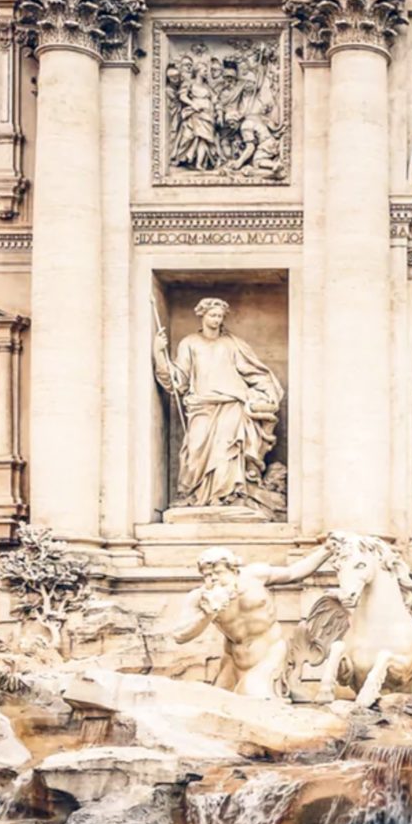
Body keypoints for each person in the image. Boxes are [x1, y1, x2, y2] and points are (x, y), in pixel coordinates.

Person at [156, 299, 285, 510]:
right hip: (201, 406)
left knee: (228, 453)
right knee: (195, 450)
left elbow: (254, 373)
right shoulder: (189, 343)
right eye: (212, 315)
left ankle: (229, 497)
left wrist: (266, 392)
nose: (216, 320)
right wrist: (159, 353)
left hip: (232, 405)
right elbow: (178, 380)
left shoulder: (232, 344)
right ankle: (195, 495)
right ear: (202, 315)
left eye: (219, 316)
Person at [166, 542, 332, 698]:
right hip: (233, 660)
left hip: (269, 653)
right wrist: (208, 614)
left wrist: (326, 550)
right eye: (207, 575)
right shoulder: (200, 598)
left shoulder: (255, 576)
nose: (213, 579)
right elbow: (180, 635)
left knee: (252, 697)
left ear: (234, 570)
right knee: (218, 703)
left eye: (219, 572)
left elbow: (293, 573)